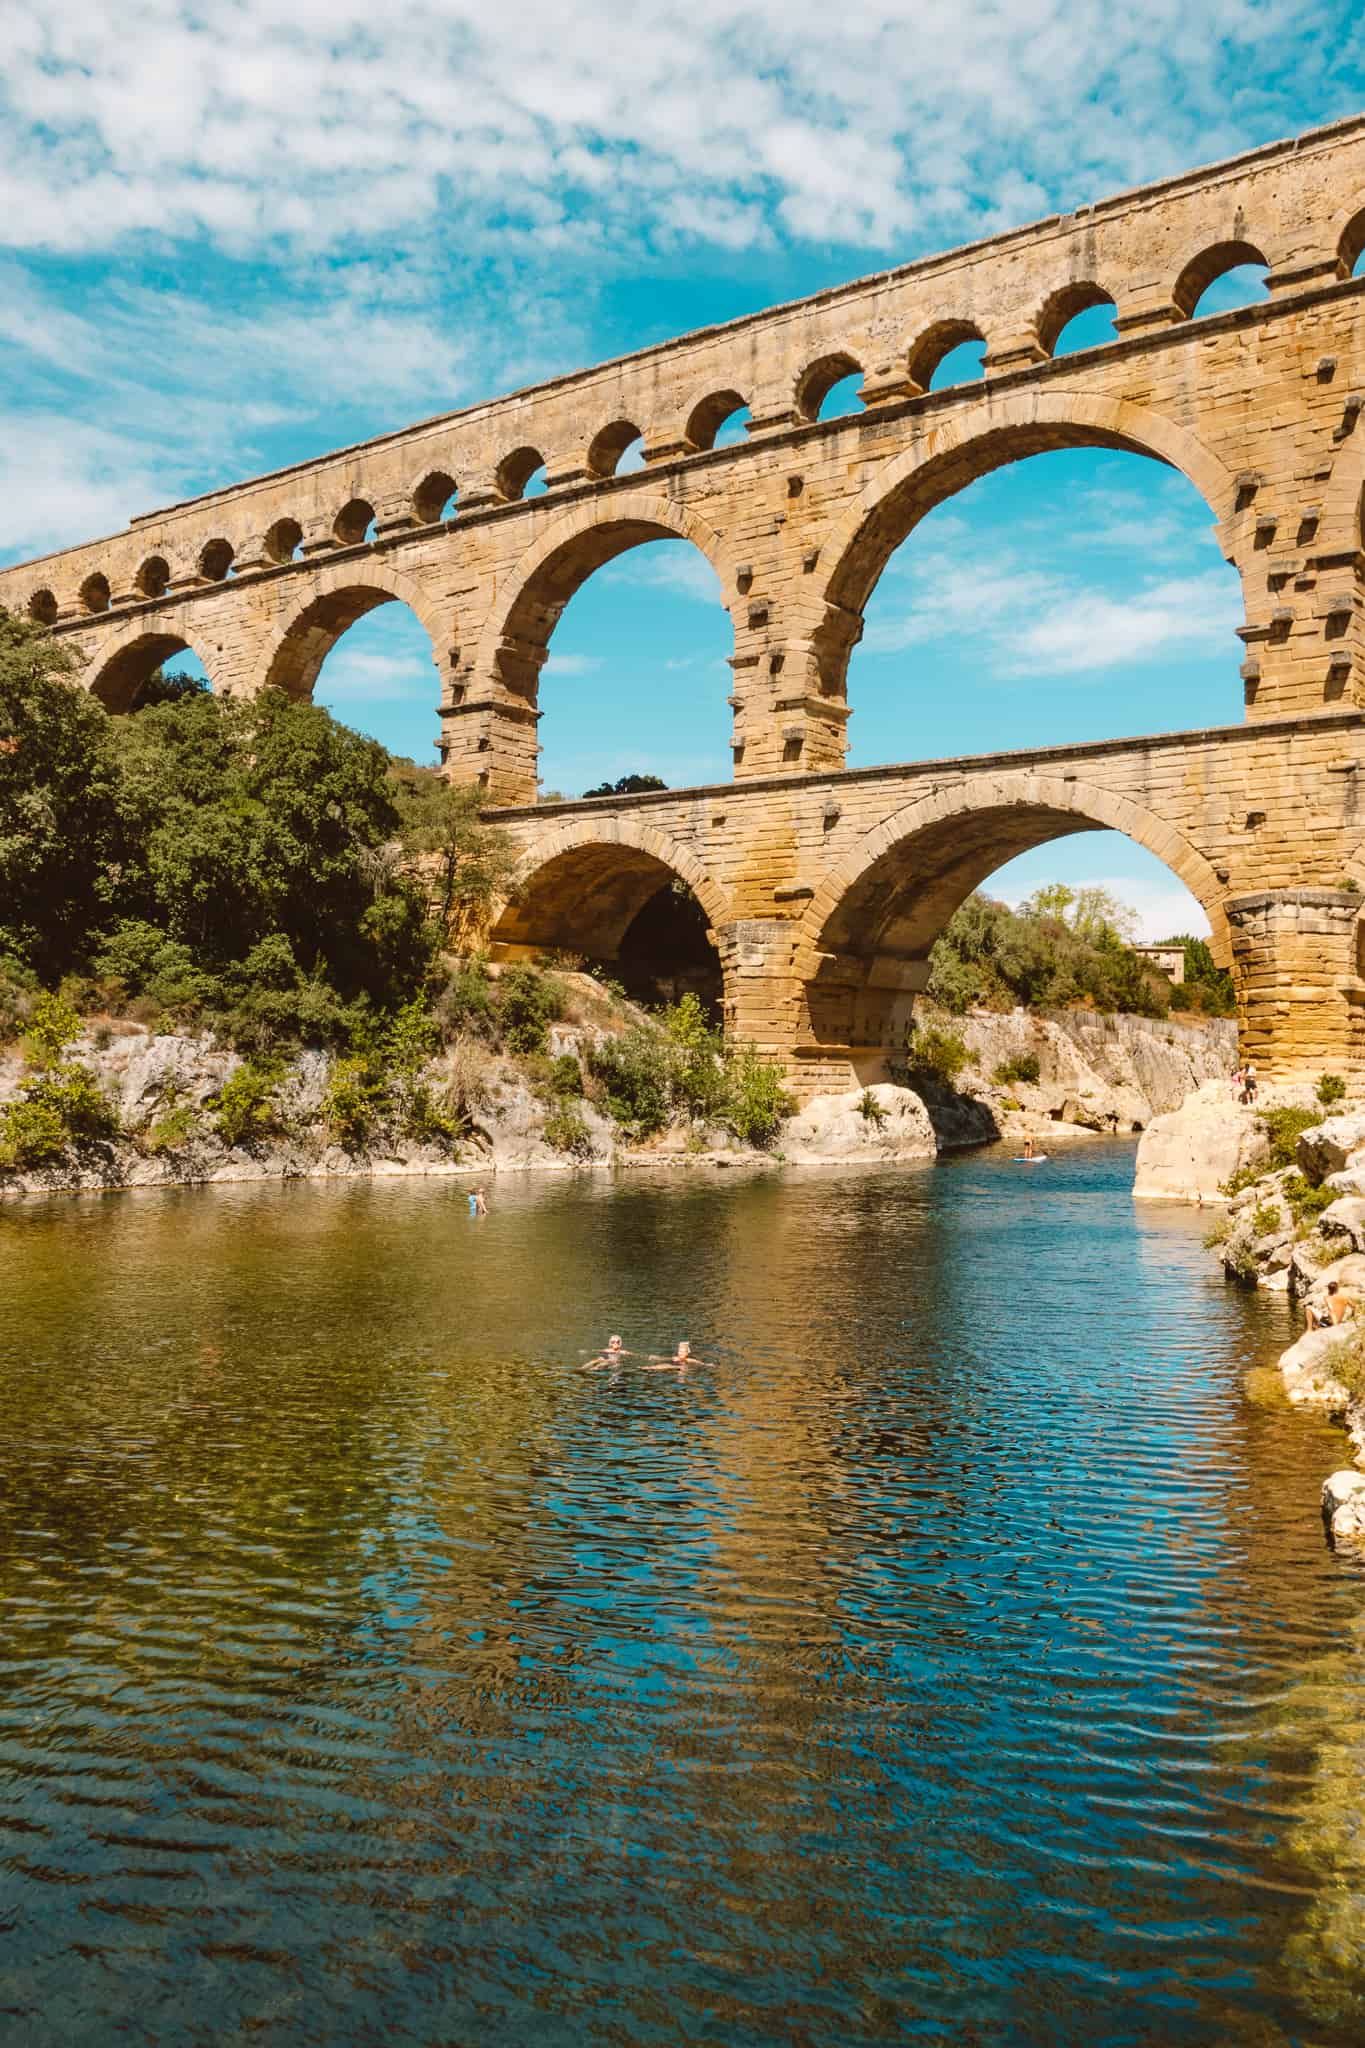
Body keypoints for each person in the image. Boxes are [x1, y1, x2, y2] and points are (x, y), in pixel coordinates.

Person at [645, 1340, 711, 1372]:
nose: (681, 1353)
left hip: (683, 1367)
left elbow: (698, 1362)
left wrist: (707, 1364)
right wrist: (656, 1358)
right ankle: (650, 1367)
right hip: (676, 1366)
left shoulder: (688, 1359)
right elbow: (665, 1358)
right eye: (680, 1351)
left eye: (683, 1351)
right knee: (667, 1365)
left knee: (668, 1366)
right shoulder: (675, 1358)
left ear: (687, 1353)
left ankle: (650, 1368)